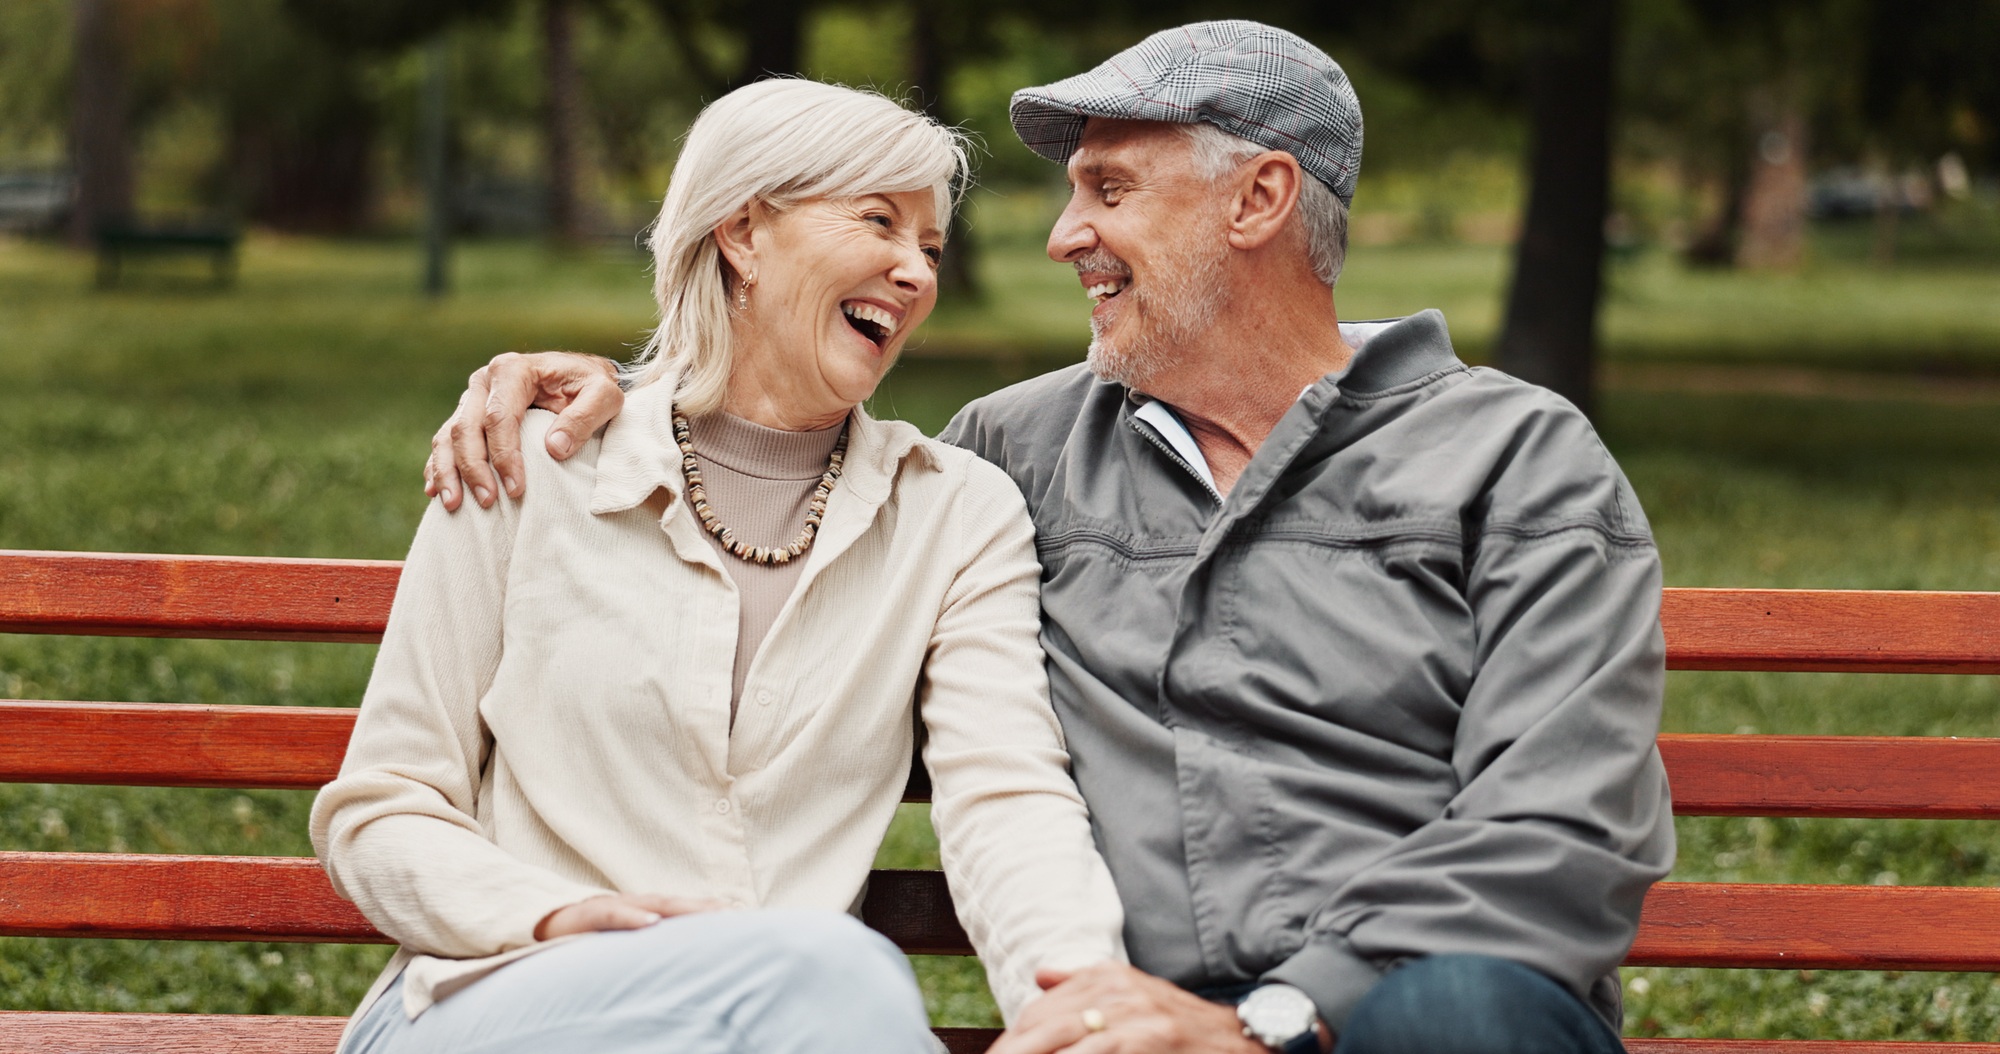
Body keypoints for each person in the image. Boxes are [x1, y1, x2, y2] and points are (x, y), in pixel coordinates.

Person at [428, 21, 1675, 1054]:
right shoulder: (1009, 455)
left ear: (1259, 198)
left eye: (1109, 190)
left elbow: (1556, 830)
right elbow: (782, 459)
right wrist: (620, 394)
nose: (1062, 235)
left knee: (1456, 1015)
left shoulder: (1513, 460)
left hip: (1409, 1013)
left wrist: (1272, 1022)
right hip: (1132, 1023)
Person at [312, 78, 1125, 1054]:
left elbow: (1006, 797)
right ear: (742, 231)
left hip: (783, 1025)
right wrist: (552, 919)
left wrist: (1081, 1004)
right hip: (507, 999)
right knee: (834, 970)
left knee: (818, 982)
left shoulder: (953, 517)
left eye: (931, 247)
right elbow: (384, 806)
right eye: (878, 221)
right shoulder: (532, 461)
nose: (914, 271)